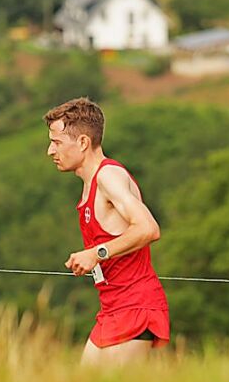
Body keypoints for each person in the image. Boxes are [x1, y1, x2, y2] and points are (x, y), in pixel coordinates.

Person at [44, 97, 170, 366]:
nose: (50, 151)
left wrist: (96, 253)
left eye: (56, 143)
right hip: (111, 309)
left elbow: (148, 228)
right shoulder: (91, 182)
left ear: (82, 143)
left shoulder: (108, 177)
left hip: (136, 307)